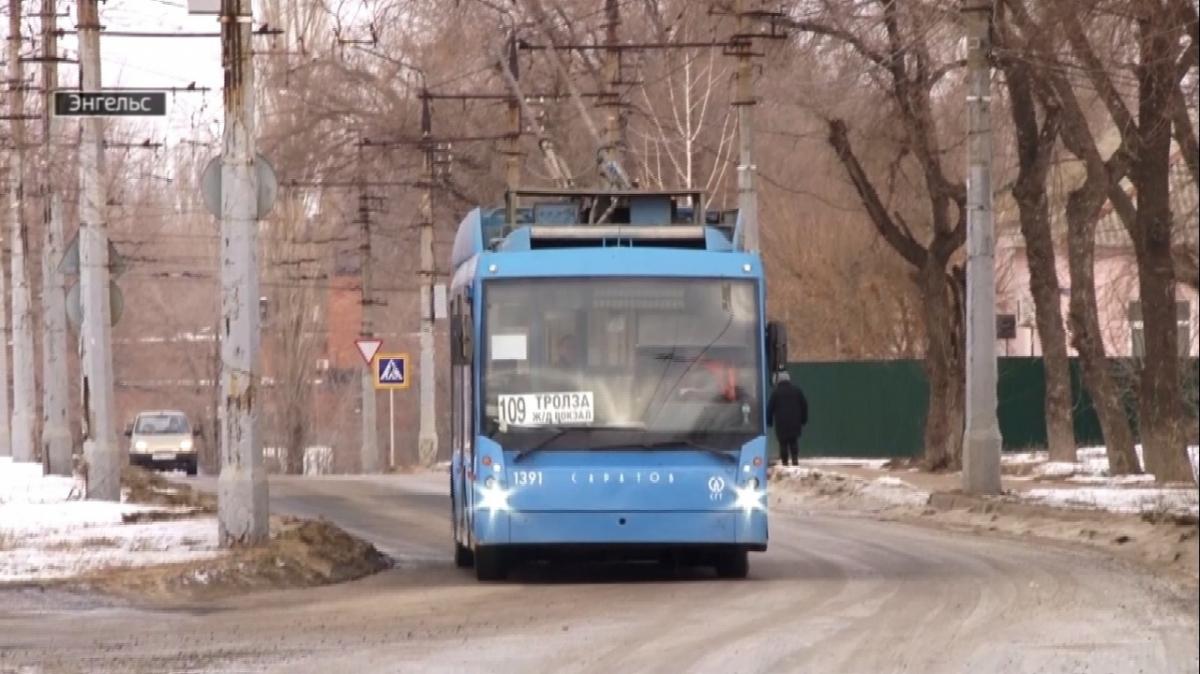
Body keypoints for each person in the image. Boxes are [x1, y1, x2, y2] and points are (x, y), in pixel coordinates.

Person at [766, 371, 808, 466]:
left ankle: (785, 463)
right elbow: (804, 405)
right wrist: (803, 419)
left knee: (783, 443)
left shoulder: (776, 393)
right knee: (793, 441)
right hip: (795, 422)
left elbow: (770, 408)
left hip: (781, 423)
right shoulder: (797, 391)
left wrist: (769, 421)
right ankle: (795, 460)